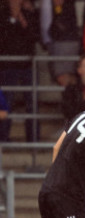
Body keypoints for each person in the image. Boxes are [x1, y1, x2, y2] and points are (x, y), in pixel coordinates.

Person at [0, 0, 40, 142]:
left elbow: (34, 37)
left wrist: (21, 18)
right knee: (6, 104)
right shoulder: (3, 15)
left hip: (27, 65)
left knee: (32, 104)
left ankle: (33, 138)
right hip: (7, 66)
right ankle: (3, 139)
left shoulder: (29, 13)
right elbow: (4, 39)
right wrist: (12, 19)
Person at [40, 0, 80, 87]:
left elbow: (64, 23)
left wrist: (58, 9)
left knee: (64, 78)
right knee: (61, 78)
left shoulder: (64, 5)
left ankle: (71, 99)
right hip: (55, 42)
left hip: (64, 42)